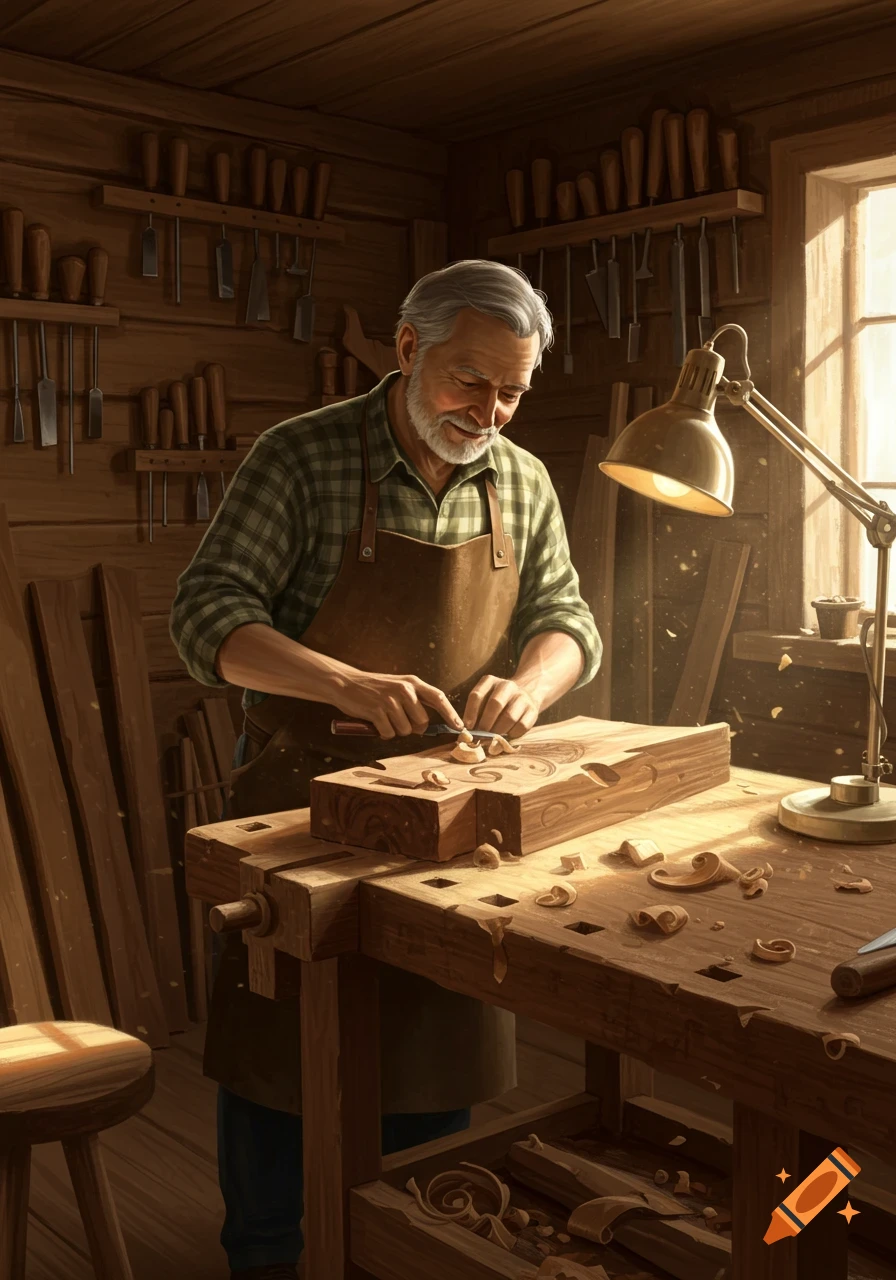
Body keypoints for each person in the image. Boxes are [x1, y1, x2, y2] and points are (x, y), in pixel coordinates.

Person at [170, 259, 601, 1279]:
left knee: (430, 1045)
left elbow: (567, 622)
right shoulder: (304, 456)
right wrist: (342, 683)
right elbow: (205, 617)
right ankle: (268, 1253)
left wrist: (531, 687)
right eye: (467, 379)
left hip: (454, 807)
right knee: (282, 1050)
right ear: (408, 350)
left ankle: (406, 1248)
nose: (487, 409)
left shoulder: (522, 479)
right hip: (299, 800)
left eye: (509, 390)